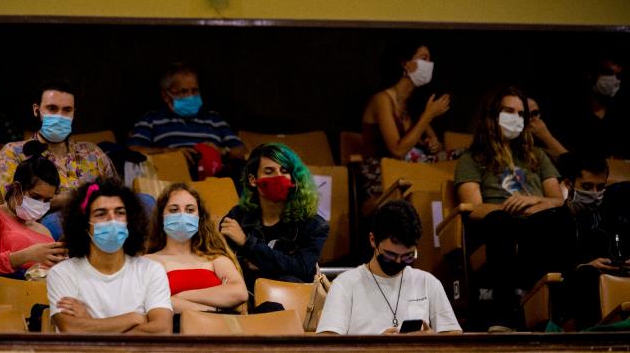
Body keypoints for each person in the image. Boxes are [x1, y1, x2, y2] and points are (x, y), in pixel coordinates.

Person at [454, 85, 563, 329]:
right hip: (499, 226)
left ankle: (561, 318)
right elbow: (475, 209)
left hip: (541, 222)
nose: (516, 118)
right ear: (492, 115)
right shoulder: (472, 159)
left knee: (561, 220)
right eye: (508, 111)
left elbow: (558, 200)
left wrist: (534, 202)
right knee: (500, 222)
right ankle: (504, 318)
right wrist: (511, 210)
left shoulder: (538, 156)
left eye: (521, 113)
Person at [47, 179, 173, 334]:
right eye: (101, 214)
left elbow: (161, 330)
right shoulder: (62, 273)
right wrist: (134, 318)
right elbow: (71, 329)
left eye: (120, 213)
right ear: (84, 225)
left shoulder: (151, 270)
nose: (112, 220)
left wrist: (91, 324)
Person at [317, 199, 460, 335]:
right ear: (373, 240)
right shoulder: (345, 284)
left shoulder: (428, 283)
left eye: (407, 256)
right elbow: (326, 345)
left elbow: (455, 339)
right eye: (390, 255)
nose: (398, 262)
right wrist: (377, 346)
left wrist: (433, 340)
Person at [0, 81, 117, 239]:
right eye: (52, 109)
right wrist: (83, 196)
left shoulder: (92, 152)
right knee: (61, 222)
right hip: (47, 224)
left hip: (101, 215)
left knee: (146, 201)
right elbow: (15, 202)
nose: (59, 116)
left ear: (74, 113)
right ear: (37, 110)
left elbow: (116, 192)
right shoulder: (15, 152)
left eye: (67, 110)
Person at [519, 152, 625, 329]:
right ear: (569, 184)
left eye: (600, 187)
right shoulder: (540, 223)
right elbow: (533, 278)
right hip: (561, 300)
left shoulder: (609, 224)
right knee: (587, 275)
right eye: (587, 186)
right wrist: (579, 268)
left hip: (607, 294)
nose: (595, 194)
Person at [220, 143, 329, 292]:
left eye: (284, 170)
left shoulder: (314, 225)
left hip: (291, 301)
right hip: (245, 298)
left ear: (293, 178)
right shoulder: (237, 217)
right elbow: (222, 263)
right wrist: (275, 264)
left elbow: (302, 270)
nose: (278, 176)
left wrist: (248, 244)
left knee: (288, 280)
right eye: (269, 171)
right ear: (253, 180)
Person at [0, 141, 66, 303]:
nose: (40, 204)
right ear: (17, 188)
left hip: (48, 292)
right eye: (35, 197)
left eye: (47, 200)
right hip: (9, 293)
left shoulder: (43, 230)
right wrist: (28, 255)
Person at [360, 41, 452, 197]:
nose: (429, 64)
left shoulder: (413, 103)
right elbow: (398, 150)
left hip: (411, 168)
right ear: (405, 64)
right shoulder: (382, 99)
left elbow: (438, 147)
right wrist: (428, 115)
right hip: (383, 171)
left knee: (461, 157)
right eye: (424, 58)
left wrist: (434, 145)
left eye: (430, 60)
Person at [127, 62, 246, 180]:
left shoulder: (214, 119)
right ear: (166, 95)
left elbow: (242, 151)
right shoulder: (151, 120)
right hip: (171, 182)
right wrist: (169, 153)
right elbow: (132, 151)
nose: (191, 96)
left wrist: (221, 151)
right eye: (183, 92)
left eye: (195, 91)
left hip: (214, 181)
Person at [145, 183, 247, 319]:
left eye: (190, 210)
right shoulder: (148, 261)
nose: (182, 215)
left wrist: (181, 296)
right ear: (161, 217)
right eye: (174, 210)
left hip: (219, 332)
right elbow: (154, 303)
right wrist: (214, 309)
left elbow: (239, 293)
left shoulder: (215, 258)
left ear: (199, 218)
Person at [557, 56, 630, 159]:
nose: (614, 80)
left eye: (618, 76)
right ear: (590, 74)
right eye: (608, 73)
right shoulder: (569, 112)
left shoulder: (620, 115)